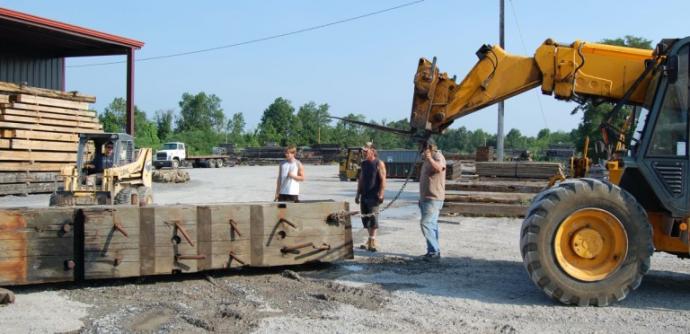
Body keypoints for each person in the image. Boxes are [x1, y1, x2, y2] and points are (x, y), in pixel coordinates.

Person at [418, 138, 446, 261]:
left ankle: (434, 251)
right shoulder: (426, 160)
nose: (420, 151)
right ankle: (433, 251)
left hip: (434, 198)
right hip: (426, 198)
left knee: (426, 223)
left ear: (428, 148)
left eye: (422, 148)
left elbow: (439, 168)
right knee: (432, 225)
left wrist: (429, 158)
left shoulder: (438, 156)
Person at [355, 142, 386, 252]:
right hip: (364, 194)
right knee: (366, 218)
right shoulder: (363, 164)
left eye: (366, 151)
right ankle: (370, 239)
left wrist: (381, 194)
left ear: (372, 151)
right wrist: (357, 194)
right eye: (363, 151)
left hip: (374, 195)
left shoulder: (379, 163)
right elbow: (361, 179)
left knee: (373, 219)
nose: (363, 153)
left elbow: (383, 180)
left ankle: (372, 241)